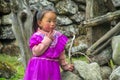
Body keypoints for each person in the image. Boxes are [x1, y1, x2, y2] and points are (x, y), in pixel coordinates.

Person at [24, 8, 74, 80]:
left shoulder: (58, 36)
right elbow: (36, 52)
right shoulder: (37, 36)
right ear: (40, 23)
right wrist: (47, 40)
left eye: (54, 21)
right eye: (49, 21)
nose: (52, 24)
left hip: (53, 68)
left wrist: (65, 66)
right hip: (39, 68)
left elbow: (61, 54)